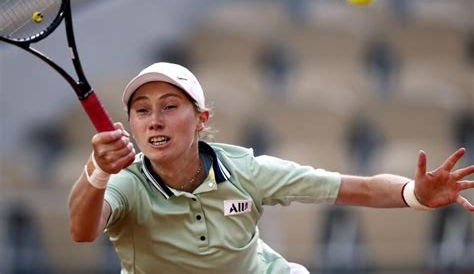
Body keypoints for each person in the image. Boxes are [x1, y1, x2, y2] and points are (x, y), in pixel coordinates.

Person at [68, 62, 474, 274]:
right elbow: (82, 231)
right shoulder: (123, 182)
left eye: (170, 107)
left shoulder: (247, 170)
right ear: (132, 124)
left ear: (201, 118)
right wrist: (99, 171)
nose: (154, 120)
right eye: (142, 111)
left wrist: (414, 196)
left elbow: (360, 188)